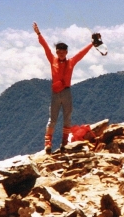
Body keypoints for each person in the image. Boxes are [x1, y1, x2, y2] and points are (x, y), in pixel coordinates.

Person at [33, 22, 97, 153]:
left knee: (67, 118)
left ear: (66, 52)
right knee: (53, 119)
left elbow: (81, 53)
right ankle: (48, 144)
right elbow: (45, 47)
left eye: (63, 52)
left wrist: (92, 43)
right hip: (56, 93)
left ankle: (64, 143)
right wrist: (39, 34)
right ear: (57, 52)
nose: (61, 54)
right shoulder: (53, 60)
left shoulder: (71, 62)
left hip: (66, 92)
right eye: (59, 52)